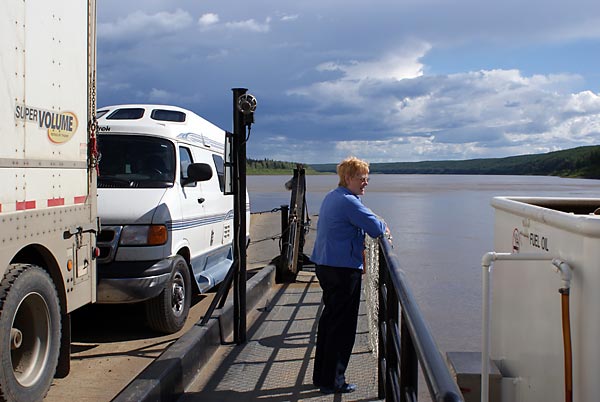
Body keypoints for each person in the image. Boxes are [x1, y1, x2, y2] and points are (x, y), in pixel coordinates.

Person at [311, 156, 388, 394]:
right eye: (361, 178)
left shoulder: (334, 196)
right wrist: (384, 225)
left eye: (367, 178)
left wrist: (376, 220)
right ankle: (333, 381)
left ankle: (322, 377)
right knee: (342, 328)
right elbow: (375, 228)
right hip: (342, 270)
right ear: (347, 178)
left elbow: (365, 217)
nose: (365, 183)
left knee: (329, 323)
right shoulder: (348, 202)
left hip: (326, 265)